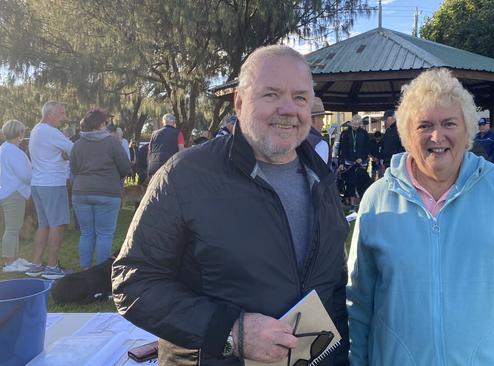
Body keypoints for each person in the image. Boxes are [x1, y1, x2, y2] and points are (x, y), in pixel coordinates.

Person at [112, 45, 349, 366]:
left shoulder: (321, 179)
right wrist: (230, 331)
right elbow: (133, 281)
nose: (288, 109)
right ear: (239, 102)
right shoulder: (186, 175)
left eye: (300, 98)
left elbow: (331, 285)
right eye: (271, 94)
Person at [347, 68, 494, 365]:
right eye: (424, 125)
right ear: (408, 134)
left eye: (449, 123)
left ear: (467, 130)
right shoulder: (377, 200)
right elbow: (358, 302)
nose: (438, 136)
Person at [70, 109, 132, 270]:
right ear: (101, 123)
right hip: (107, 192)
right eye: (106, 122)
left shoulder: (78, 144)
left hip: (81, 192)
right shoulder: (112, 143)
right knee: (104, 234)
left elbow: (73, 169)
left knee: (86, 233)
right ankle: (99, 273)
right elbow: (125, 167)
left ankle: (85, 270)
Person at [26, 101, 74, 279]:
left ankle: (36, 264)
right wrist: (65, 155)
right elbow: (74, 150)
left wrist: (62, 154)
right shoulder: (51, 132)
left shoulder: (36, 130)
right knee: (58, 225)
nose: (64, 117)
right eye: (61, 113)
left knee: (44, 224)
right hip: (53, 183)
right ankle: (52, 267)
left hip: (38, 183)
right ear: (50, 114)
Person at [0, 120, 32, 273]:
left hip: (7, 192)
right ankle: (9, 263)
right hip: (14, 193)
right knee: (12, 229)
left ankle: (15, 259)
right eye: (22, 131)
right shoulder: (13, 151)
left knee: (13, 227)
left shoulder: (4, 149)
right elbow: (25, 175)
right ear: (19, 133)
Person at [338, 114, 371, 208]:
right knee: (350, 181)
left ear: (360, 124)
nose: (355, 126)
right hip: (349, 162)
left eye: (357, 125)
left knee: (362, 181)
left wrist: (362, 157)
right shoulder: (346, 133)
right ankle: (352, 204)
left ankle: (362, 202)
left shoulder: (364, 133)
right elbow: (342, 149)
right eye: (353, 124)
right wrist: (341, 163)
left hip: (361, 162)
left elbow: (367, 147)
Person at [147, 113, 185, 177]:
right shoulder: (178, 133)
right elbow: (181, 151)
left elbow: (149, 150)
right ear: (173, 122)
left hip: (153, 166)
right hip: (169, 166)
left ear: (163, 122)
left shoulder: (154, 134)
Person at [306, 97, 331, 165]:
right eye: (321, 119)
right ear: (313, 119)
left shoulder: (294, 139)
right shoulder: (320, 143)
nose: (323, 124)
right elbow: (320, 173)